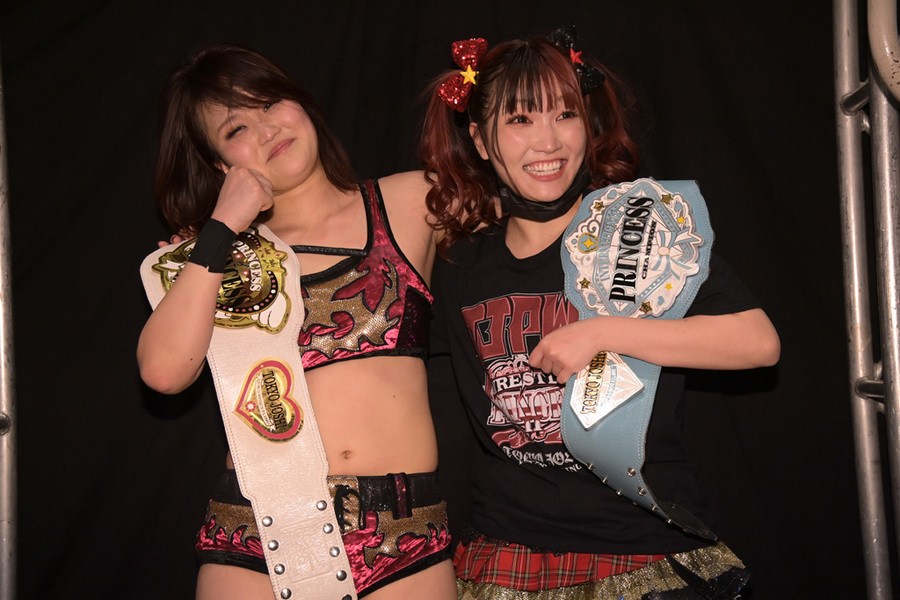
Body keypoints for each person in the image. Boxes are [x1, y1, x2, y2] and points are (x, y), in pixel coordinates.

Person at [419, 31, 780, 599]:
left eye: (565, 114)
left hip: (640, 544)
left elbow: (758, 343)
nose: (548, 140)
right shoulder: (460, 265)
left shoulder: (638, 235)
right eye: (520, 120)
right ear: (481, 141)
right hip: (505, 554)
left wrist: (603, 332)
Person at [137, 43, 457, 600]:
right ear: (219, 164)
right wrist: (219, 232)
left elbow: (537, 213)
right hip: (259, 533)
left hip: (404, 536)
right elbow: (163, 373)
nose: (266, 130)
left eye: (269, 103)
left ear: (301, 103)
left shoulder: (413, 200)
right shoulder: (217, 257)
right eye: (236, 127)